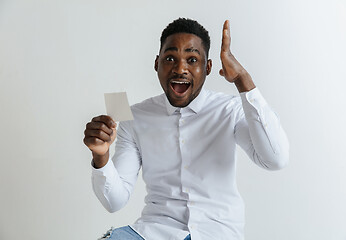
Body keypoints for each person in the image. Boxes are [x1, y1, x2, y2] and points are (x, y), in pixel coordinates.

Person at [83, 18, 289, 240]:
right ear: (157, 64)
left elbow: (275, 159)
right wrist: (101, 155)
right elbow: (114, 201)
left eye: (192, 59)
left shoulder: (229, 109)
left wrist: (242, 79)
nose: (180, 68)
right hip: (154, 231)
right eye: (170, 58)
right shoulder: (135, 118)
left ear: (208, 67)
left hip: (216, 232)